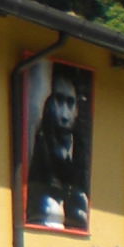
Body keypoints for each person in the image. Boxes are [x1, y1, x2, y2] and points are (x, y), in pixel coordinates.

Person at [25, 70, 89, 231]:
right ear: (48, 103)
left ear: (77, 109)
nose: (65, 113)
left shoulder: (82, 149)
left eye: (70, 102)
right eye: (59, 101)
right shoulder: (40, 143)